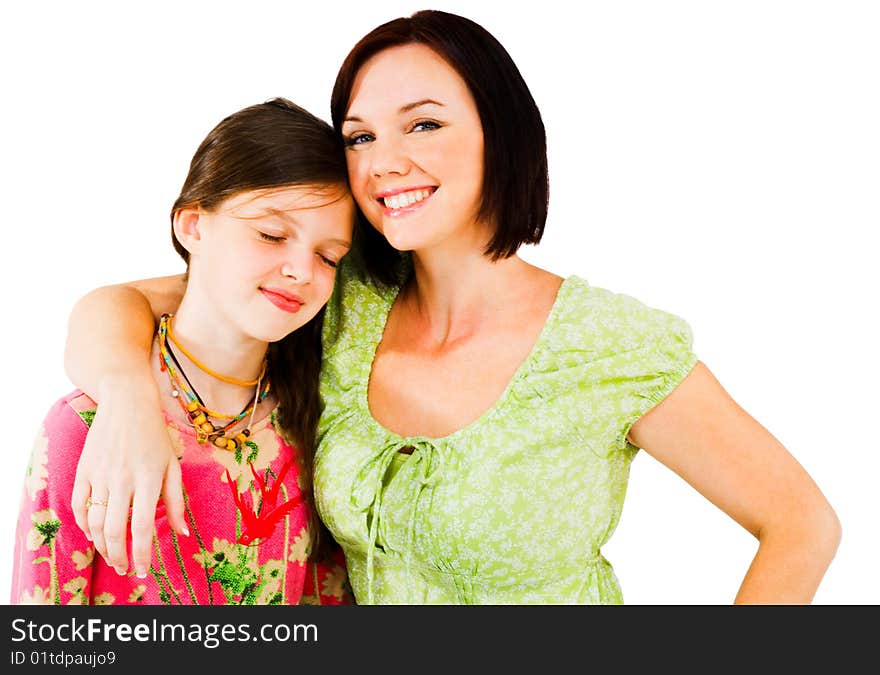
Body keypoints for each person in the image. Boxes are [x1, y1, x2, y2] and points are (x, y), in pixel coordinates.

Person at [62, 11, 840, 604]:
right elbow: (126, 301)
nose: (384, 161)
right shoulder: (336, 298)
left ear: (499, 136)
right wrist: (128, 398)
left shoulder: (612, 344)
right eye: (360, 136)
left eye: (424, 124)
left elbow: (801, 524)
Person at [12, 98, 355, 605]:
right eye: (272, 234)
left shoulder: (308, 423)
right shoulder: (86, 427)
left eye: (328, 256)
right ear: (193, 226)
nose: (303, 271)